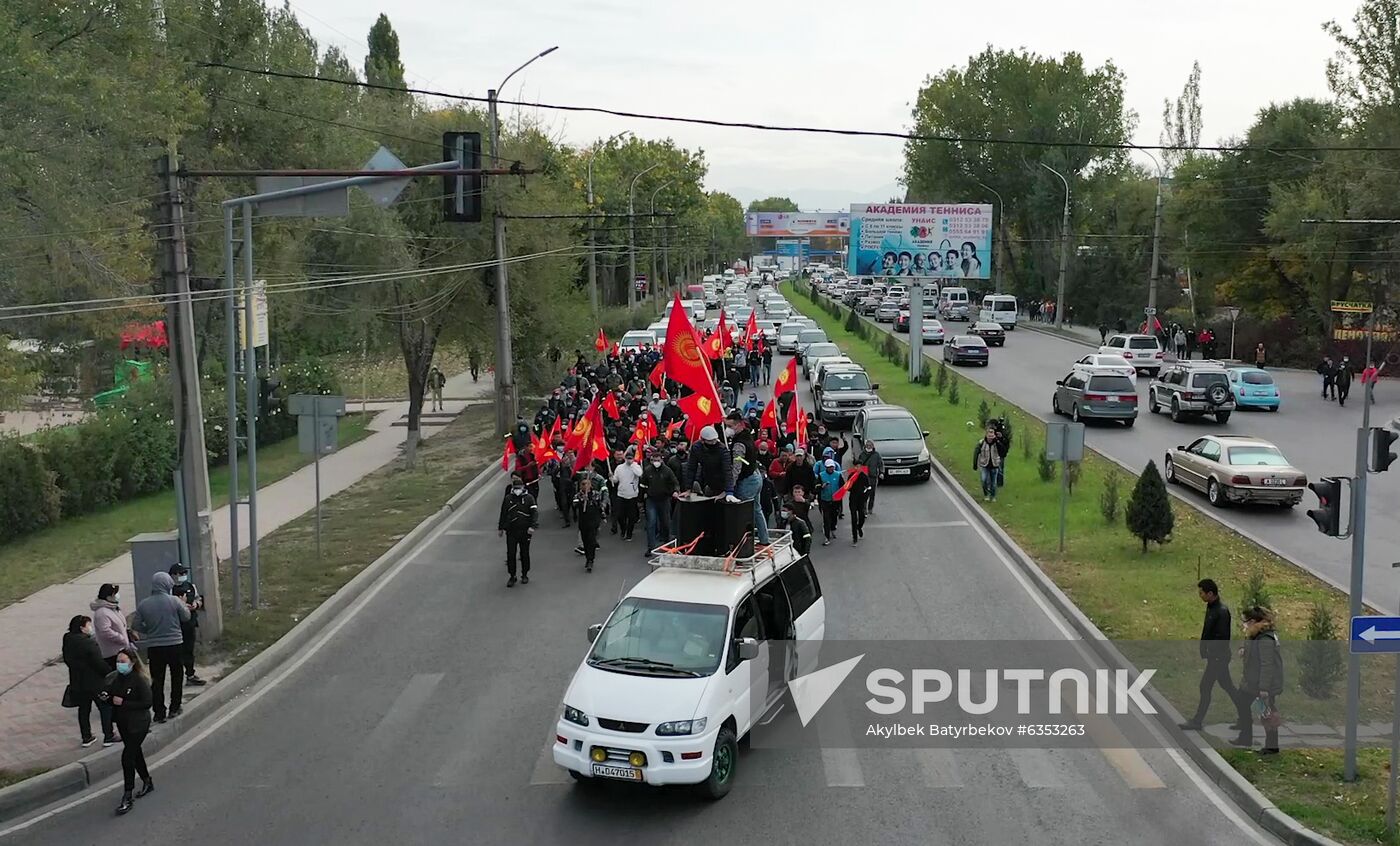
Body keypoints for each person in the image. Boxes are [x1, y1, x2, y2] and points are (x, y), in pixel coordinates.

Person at [1180, 579, 1249, 732]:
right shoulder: (1212, 608)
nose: (1200, 596)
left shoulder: (1221, 612)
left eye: (1201, 593)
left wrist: (1212, 653)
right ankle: (1245, 718)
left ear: (1210, 593)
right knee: (1228, 687)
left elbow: (1223, 638)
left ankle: (1197, 721)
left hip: (1218, 658)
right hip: (1215, 657)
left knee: (1205, 686)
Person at [131, 571, 189, 723]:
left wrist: (149, 630)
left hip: (155, 646)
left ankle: (159, 711)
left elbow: (136, 625)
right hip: (175, 644)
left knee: (157, 680)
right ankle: (175, 707)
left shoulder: (144, 604)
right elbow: (186, 617)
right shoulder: (174, 601)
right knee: (177, 676)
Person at [102, 647, 153, 815]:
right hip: (124, 724)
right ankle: (147, 781)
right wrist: (107, 698)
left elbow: (146, 703)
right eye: (118, 661)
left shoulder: (139, 680)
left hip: (139, 724)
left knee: (127, 757)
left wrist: (123, 703)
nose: (119, 665)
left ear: (132, 662)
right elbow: (112, 698)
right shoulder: (116, 679)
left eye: (123, 662)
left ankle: (127, 795)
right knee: (135, 753)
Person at [1235, 606, 1283, 755]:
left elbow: (1267, 664)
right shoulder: (1255, 635)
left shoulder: (1265, 639)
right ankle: (1245, 737)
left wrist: (1264, 688)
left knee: (1266, 714)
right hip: (1251, 681)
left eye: (1246, 622)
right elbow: (1250, 647)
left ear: (1254, 621)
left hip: (1261, 684)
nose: (1244, 625)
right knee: (1244, 704)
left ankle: (1271, 746)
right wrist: (1244, 649)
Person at [63, 614, 115, 748]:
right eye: (88, 625)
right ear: (82, 628)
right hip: (95, 682)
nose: (90, 628)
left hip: (77, 682)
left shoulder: (67, 639)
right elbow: (98, 663)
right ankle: (108, 736)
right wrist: (109, 672)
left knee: (84, 710)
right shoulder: (89, 643)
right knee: (105, 707)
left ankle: (86, 737)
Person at [726, 411, 769, 544]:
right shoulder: (748, 435)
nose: (728, 429)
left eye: (730, 426)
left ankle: (744, 542)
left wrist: (730, 487)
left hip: (747, 481)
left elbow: (737, 467)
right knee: (757, 510)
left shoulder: (739, 444)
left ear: (738, 425)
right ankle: (764, 539)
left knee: (743, 513)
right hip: (756, 475)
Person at [167, 564, 206, 688]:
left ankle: (190, 675)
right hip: (175, 626)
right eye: (180, 573)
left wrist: (195, 604)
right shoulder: (168, 589)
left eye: (185, 573)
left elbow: (199, 599)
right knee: (177, 653)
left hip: (189, 624)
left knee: (189, 650)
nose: (183, 576)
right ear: (173, 575)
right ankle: (177, 678)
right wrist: (181, 605)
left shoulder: (190, 586)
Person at [498, 471, 539, 588]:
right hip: (511, 530)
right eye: (515, 488)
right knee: (511, 554)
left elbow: (534, 513)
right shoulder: (508, 498)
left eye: (519, 488)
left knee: (524, 553)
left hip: (525, 530)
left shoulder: (529, 498)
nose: (517, 490)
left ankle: (525, 574)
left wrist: (532, 526)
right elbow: (503, 513)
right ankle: (512, 575)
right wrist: (500, 528)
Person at [641, 446, 678, 551]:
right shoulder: (648, 471)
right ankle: (650, 546)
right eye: (654, 460)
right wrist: (640, 500)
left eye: (658, 460)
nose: (656, 462)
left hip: (664, 499)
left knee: (665, 522)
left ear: (662, 460)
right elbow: (643, 485)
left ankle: (667, 543)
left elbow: (674, 482)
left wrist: (675, 491)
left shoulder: (667, 471)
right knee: (651, 523)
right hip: (651, 500)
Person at [91, 582, 132, 671]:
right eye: (114, 594)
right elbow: (105, 632)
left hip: (121, 649)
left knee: (126, 675)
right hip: (112, 653)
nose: (117, 595)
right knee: (117, 676)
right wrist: (121, 638)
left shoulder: (113, 608)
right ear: (108, 597)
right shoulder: (102, 613)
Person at [684, 426, 734, 497]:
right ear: (702, 440)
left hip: (722, 481)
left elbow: (727, 470)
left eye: (715, 440)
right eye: (710, 441)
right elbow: (691, 468)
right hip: (708, 480)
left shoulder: (722, 449)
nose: (713, 443)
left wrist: (729, 491)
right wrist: (688, 489)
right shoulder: (696, 448)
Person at [574, 470, 608, 572]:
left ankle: (590, 560)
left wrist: (603, 516)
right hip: (583, 522)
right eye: (583, 484)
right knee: (585, 541)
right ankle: (587, 557)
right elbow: (574, 505)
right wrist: (581, 501)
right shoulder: (578, 496)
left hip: (593, 521)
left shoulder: (595, 494)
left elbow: (599, 506)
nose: (586, 486)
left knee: (592, 540)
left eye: (587, 484)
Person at [611, 448, 644, 542]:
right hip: (621, 494)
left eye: (631, 458)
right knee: (620, 516)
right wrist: (611, 478)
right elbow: (615, 480)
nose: (629, 460)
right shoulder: (619, 468)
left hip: (632, 495)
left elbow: (639, 473)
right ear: (625, 458)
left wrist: (632, 465)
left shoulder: (636, 467)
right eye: (627, 458)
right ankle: (623, 530)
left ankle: (629, 533)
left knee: (631, 516)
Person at [816, 458, 844, 546]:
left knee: (834, 517)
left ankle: (833, 528)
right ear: (826, 467)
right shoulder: (821, 475)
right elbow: (816, 486)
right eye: (828, 467)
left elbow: (843, 486)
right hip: (825, 500)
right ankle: (827, 537)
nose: (831, 468)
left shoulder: (838, 475)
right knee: (826, 518)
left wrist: (840, 495)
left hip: (835, 500)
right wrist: (822, 486)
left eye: (832, 467)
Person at [972, 426, 1002, 502]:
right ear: (986, 435)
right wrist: (975, 464)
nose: (990, 438)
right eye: (989, 435)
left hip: (994, 466)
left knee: (993, 483)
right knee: (984, 480)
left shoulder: (997, 443)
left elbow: (1003, 451)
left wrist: (998, 440)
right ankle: (986, 494)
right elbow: (976, 453)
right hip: (984, 465)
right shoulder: (981, 443)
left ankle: (993, 496)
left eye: (992, 436)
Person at [854, 440, 883, 514]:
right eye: (867, 445)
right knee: (864, 494)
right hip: (864, 477)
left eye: (870, 445)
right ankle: (864, 509)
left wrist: (881, 472)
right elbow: (858, 464)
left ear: (873, 446)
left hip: (873, 477)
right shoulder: (862, 454)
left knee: (872, 494)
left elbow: (881, 464)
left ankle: (870, 508)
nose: (869, 446)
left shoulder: (876, 455)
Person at [847, 466, 871, 545]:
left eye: (859, 466)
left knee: (862, 517)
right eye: (857, 466)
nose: (858, 468)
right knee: (854, 518)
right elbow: (847, 487)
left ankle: (859, 527)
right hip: (853, 499)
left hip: (861, 500)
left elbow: (869, 487)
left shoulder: (864, 476)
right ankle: (854, 537)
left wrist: (865, 496)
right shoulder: (851, 476)